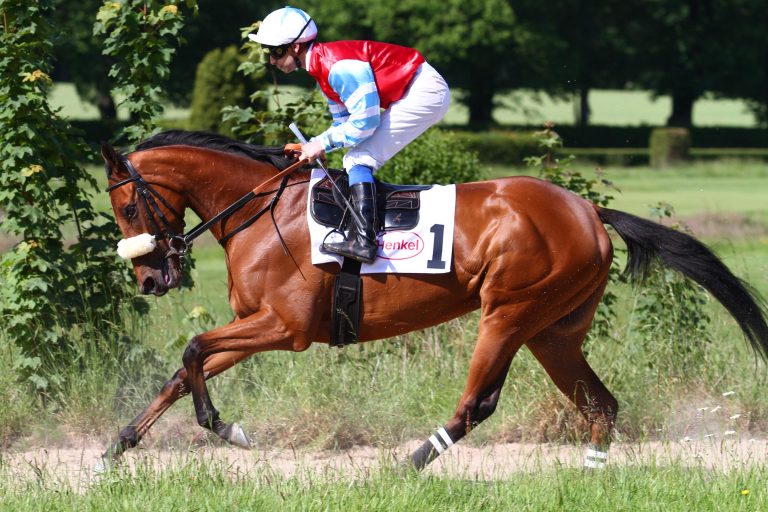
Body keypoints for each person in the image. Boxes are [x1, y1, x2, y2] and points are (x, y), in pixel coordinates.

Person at [249, 6, 451, 264]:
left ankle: (365, 241)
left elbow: (365, 123)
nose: (272, 61)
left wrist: (321, 143)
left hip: (425, 92)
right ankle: (363, 234)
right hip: (416, 90)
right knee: (355, 157)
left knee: (359, 159)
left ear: (296, 47)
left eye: (275, 51)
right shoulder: (322, 71)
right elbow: (343, 124)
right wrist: (312, 145)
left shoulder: (337, 68)